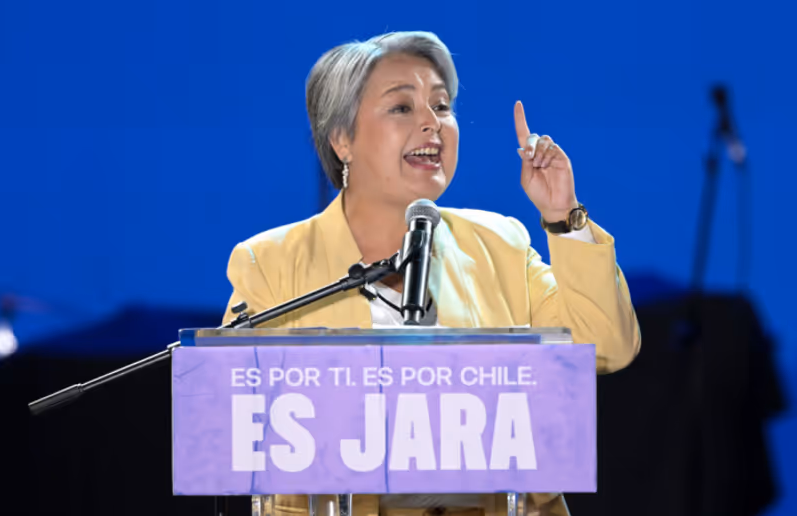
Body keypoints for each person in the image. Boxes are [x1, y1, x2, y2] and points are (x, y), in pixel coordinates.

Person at [223, 31, 641, 516]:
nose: (432, 123)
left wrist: (563, 216)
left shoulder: (500, 245)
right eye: (402, 107)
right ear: (342, 140)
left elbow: (607, 347)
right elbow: (236, 425)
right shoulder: (271, 263)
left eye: (442, 106)